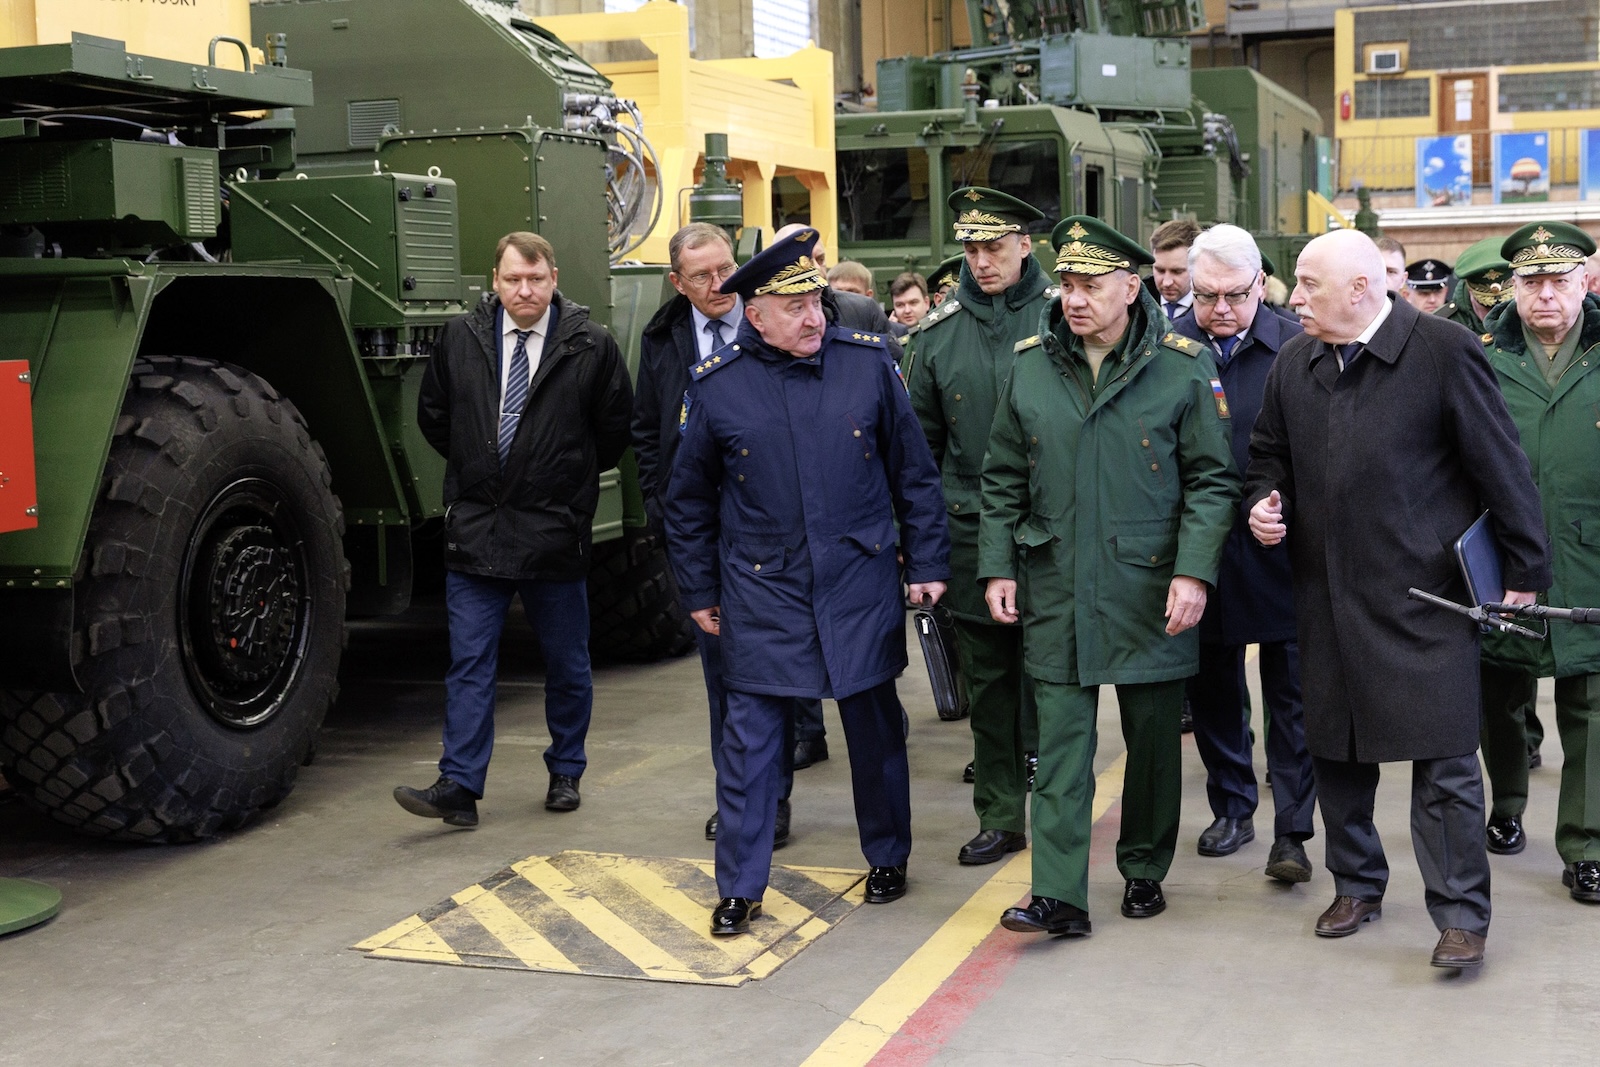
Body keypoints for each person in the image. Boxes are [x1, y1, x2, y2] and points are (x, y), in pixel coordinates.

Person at [1245, 229, 1549, 969]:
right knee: (1339, 752)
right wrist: (1262, 501)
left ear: (1360, 289)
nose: (1295, 296)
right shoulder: (1296, 359)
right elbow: (1267, 455)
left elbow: (1500, 462)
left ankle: (1461, 916)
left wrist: (1526, 565)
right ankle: (1357, 883)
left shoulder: (1442, 350)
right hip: (1326, 595)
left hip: (1427, 600)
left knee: (1445, 764)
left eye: (1309, 283)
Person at [666, 228, 951, 935]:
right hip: (763, 590)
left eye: (816, 301)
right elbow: (688, 500)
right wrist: (699, 590)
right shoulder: (718, 387)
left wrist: (930, 564)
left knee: (875, 729)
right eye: (793, 307)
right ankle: (740, 885)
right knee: (751, 743)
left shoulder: (868, 366)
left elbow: (912, 474)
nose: (814, 317)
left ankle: (888, 854)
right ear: (753, 313)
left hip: (857, 578)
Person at [979, 216, 1239, 936]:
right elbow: (1001, 476)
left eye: (1091, 285)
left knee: (1153, 741)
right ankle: (1058, 892)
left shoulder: (1183, 365)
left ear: (1133, 286)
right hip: (1056, 581)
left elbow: (1213, 482)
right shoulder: (1031, 363)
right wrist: (997, 564)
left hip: (1148, 584)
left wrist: (1194, 572)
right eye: (1066, 283)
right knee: (1060, 743)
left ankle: (1145, 866)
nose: (1074, 299)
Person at [397, 231, 634, 826]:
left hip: (553, 529)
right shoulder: (461, 337)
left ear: (554, 279)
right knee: (470, 662)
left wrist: (561, 477)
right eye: (512, 280)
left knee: (566, 661)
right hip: (478, 526)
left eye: (534, 279)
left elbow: (613, 430)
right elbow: (435, 416)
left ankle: (566, 770)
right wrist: (482, 469)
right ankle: (459, 785)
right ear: (495, 282)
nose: (523, 291)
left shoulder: (590, 344)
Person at [632, 222, 799, 848]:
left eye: (725, 267)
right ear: (677, 283)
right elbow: (648, 431)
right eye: (700, 276)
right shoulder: (664, 339)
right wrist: (662, 508)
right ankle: (738, 795)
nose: (718, 283)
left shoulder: (766, 321)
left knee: (773, 674)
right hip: (705, 536)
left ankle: (773, 798)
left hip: (771, 529)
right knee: (722, 675)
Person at [909, 187, 1056, 866]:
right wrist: (925, 555)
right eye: (970, 247)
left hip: (1059, 528)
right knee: (991, 686)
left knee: (1061, 683)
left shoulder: (1069, 318)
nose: (982, 260)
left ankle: (1061, 813)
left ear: (1026, 243)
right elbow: (919, 458)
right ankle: (1000, 812)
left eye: (995, 245)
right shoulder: (938, 338)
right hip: (971, 534)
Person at [1171, 225, 1317, 880]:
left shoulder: (1299, 347)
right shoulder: (1166, 348)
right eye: (1206, 296)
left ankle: (1293, 825)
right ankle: (1232, 804)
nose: (1221, 310)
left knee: (1293, 692)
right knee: (1212, 689)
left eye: (1234, 294)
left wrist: (1281, 499)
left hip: (1281, 547)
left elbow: (1322, 447)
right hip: (1200, 550)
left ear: (1262, 284)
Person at [1477, 221, 1600, 904]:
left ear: (1585, 281)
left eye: (1559, 279)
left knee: (1592, 703)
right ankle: (1508, 802)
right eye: (1531, 281)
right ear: (1512, 288)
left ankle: (1587, 845)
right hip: (1505, 559)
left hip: (1593, 556)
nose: (1545, 294)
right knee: (1501, 691)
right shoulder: (1483, 357)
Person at [772, 223, 906, 770]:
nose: (816, 267)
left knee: (865, 658)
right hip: (789, 529)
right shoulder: (766, 326)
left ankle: (880, 725)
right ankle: (808, 732)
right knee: (796, 643)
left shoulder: (860, 316)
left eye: (822, 256)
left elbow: (898, 434)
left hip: (858, 523)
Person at [1438, 237, 1514, 332]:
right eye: (1487, 306)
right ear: (1470, 290)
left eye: (1506, 306)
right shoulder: (1440, 326)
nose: (1497, 316)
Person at [1148, 219, 1201, 323]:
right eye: (1160, 270)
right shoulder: (1134, 304)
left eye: (1177, 272)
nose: (1167, 282)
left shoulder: (1216, 310)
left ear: (1196, 267)